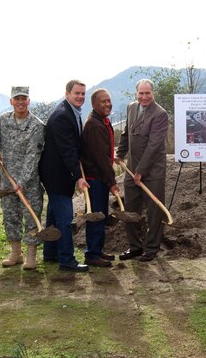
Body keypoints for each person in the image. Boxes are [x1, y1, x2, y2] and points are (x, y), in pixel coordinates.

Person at [115, 79, 169, 262]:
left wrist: (141, 171)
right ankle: (135, 247)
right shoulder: (131, 108)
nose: (144, 97)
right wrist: (120, 154)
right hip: (132, 169)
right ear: (136, 94)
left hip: (153, 170)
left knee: (154, 211)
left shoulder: (160, 114)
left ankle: (152, 248)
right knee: (131, 209)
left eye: (148, 93)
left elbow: (154, 146)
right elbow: (126, 134)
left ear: (153, 94)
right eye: (141, 93)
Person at [40, 80, 89, 272]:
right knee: (64, 218)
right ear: (67, 93)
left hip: (56, 173)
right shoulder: (62, 116)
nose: (80, 97)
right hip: (57, 174)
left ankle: (50, 253)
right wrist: (78, 176)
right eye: (77, 93)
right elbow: (67, 150)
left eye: (83, 94)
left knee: (53, 216)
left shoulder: (71, 113)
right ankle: (67, 259)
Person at [0, 86, 45, 270]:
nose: (20, 102)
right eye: (17, 99)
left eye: (23, 99)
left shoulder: (36, 125)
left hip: (29, 182)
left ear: (29, 101)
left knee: (31, 216)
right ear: (11, 101)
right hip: (7, 180)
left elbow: (33, 156)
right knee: (10, 215)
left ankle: (31, 254)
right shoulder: (3, 121)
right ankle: (15, 252)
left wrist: (22, 182)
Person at [80, 88, 119, 267]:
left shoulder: (102, 121)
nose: (107, 104)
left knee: (101, 215)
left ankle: (98, 250)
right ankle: (92, 255)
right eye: (103, 101)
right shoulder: (94, 125)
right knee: (96, 216)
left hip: (100, 177)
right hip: (95, 178)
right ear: (94, 104)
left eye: (108, 100)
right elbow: (101, 158)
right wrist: (112, 181)